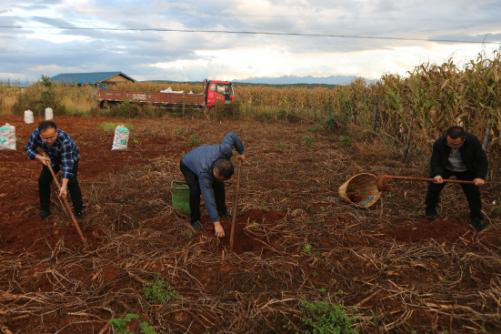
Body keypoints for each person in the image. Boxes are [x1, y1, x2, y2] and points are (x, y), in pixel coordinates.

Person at [180, 132, 245, 237]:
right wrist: (216, 223)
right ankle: (195, 220)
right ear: (215, 169)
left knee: (219, 185)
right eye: (215, 176)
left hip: (203, 155)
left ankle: (222, 211)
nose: (215, 178)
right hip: (188, 164)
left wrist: (241, 151)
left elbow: (231, 135)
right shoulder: (204, 172)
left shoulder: (226, 150)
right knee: (195, 190)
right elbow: (208, 197)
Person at [425, 126, 488, 231]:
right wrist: (437, 174)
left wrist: (480, 176)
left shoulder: (472, 141)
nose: (452, 146)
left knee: (473, 193)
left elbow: (482, 159)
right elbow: (435, 160)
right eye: (449, 143)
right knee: (433, 188)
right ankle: (430, 212)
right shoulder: (440, 143)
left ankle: (476, 218)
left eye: (455, 144)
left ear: (463, 140)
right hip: (446, 167)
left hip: (466, 169)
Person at [25, 120, 83, 219]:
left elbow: (67, 164)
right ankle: (44, 209)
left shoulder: (64, 140)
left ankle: (79, 211)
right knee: (43, 180)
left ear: (56, 132)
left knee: (71, 182)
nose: (49, 140)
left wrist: (63, 186)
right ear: (40, 134)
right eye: (45, 138)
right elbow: (28, 148)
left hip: (70, 157)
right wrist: (39, 157)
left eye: (52, 137)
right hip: (51, 158)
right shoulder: (36, 134)